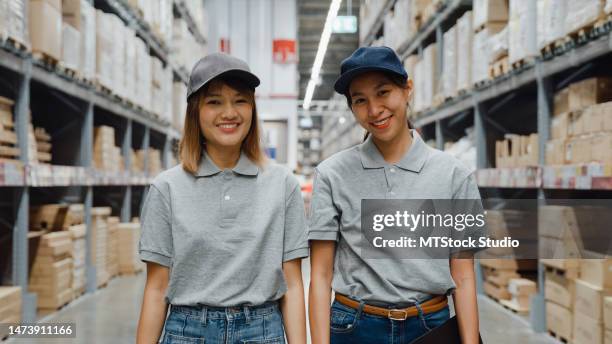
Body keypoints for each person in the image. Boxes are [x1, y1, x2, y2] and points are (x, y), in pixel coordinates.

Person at [308, 46, 481, 344]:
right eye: (360, 100)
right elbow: (320, 276)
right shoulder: (332, 175)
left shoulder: (454, 175)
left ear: (407, 89)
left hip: (430, 328)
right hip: (353, 328)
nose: (374, 110)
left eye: (383, 92)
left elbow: (463, 277)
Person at [136, 53, 308, 344]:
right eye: (214, 102)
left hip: (262, 332)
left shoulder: (283, 185)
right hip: (187, 332)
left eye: (240, 100)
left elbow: (292, 284)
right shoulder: (167, 188)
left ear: (252, 109)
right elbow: (156, 288)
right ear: (195, 112)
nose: (229, 113)